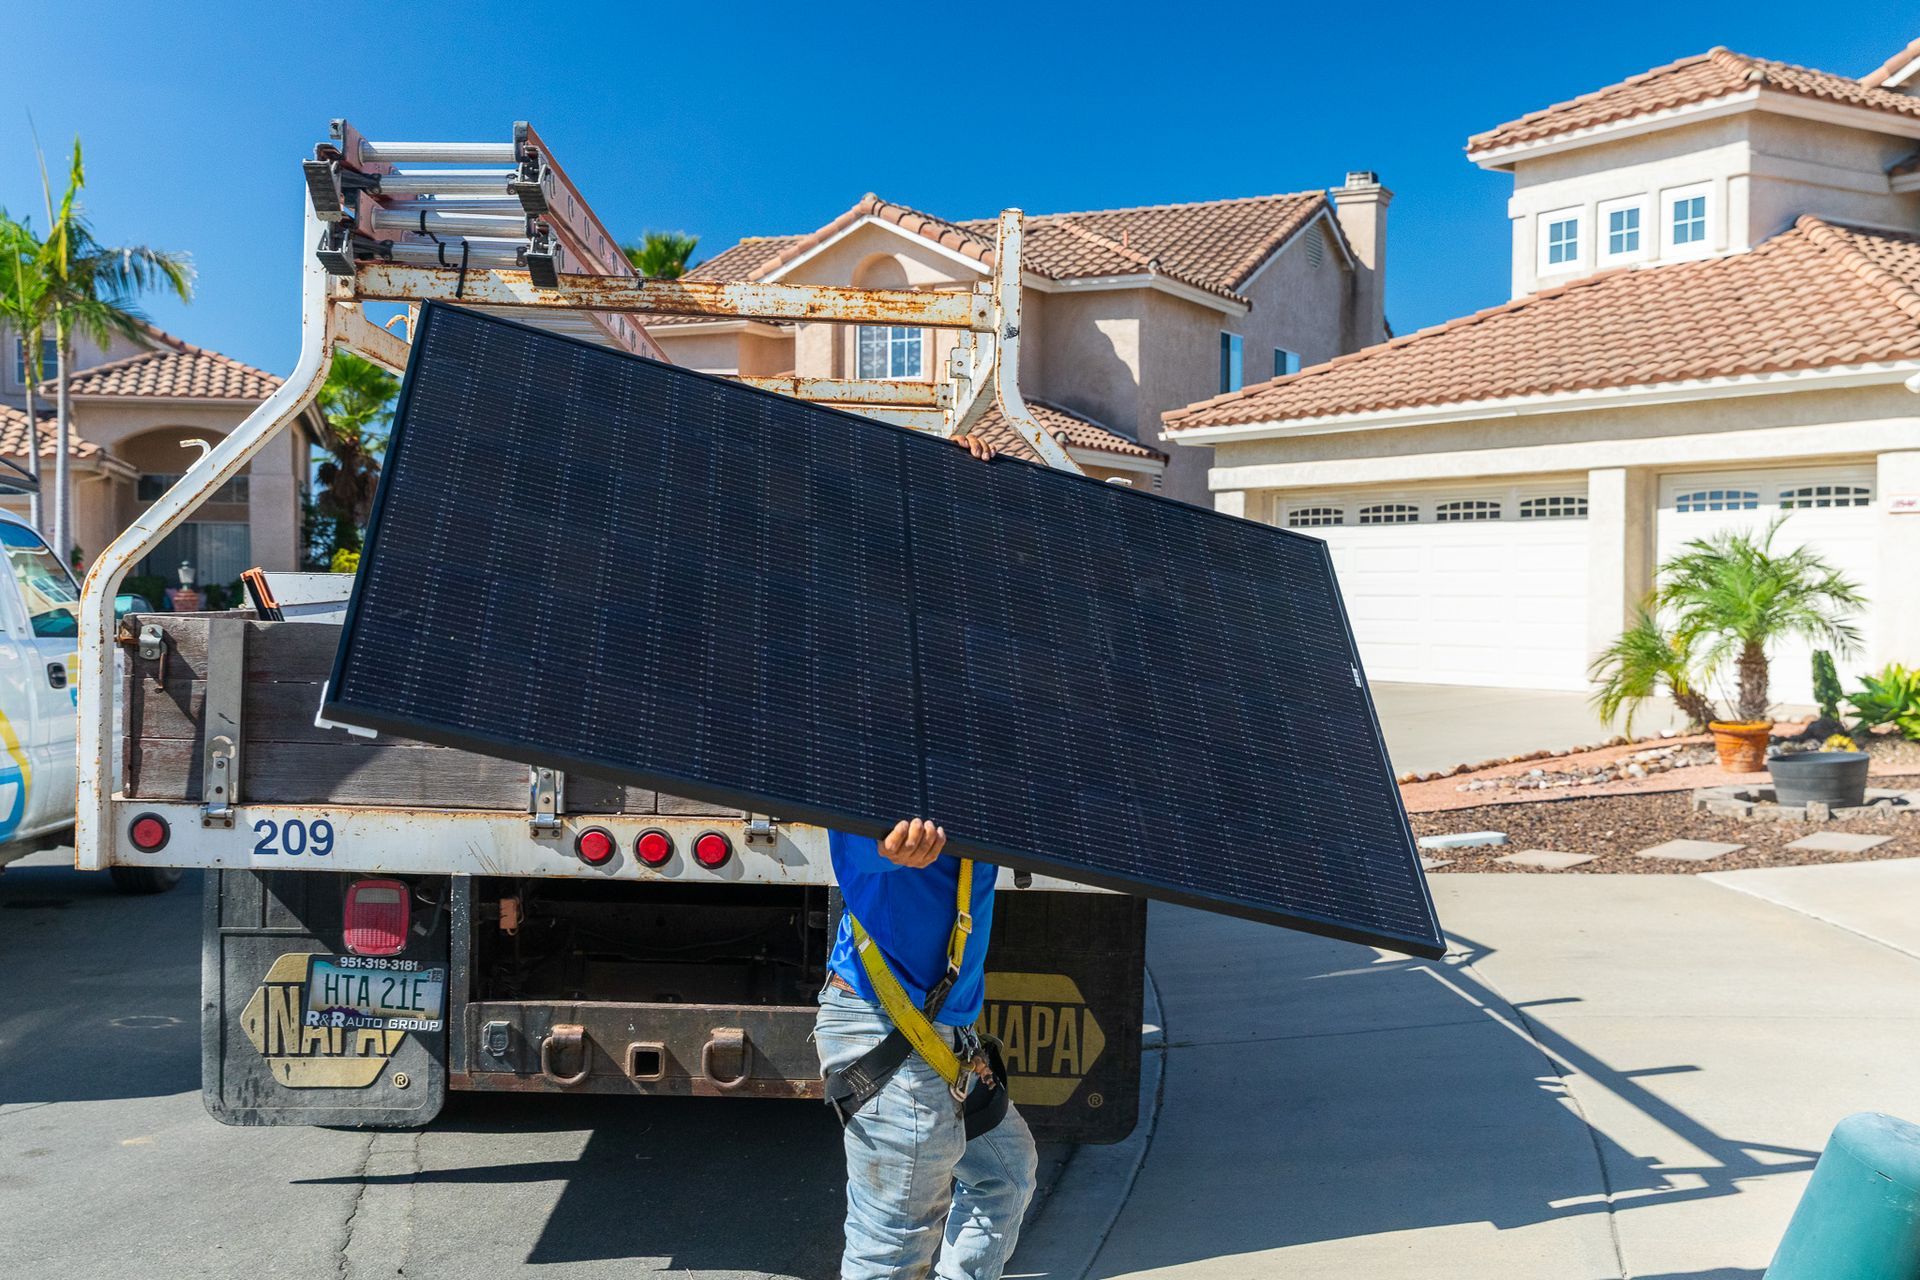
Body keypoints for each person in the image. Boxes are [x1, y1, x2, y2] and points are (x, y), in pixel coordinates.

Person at [815, 433, 1038, 1280]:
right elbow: (858, 850)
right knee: (890, 1245)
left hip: (940, 1021)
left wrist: (963, 489)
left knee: (1005, 1178)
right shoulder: (871, 711)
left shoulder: (976, 726)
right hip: (884, 1019)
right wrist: (887, 853)